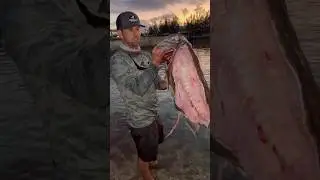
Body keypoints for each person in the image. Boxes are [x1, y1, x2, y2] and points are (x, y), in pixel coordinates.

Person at [110, 11, 172, 180]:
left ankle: (152, 163)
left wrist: (165, 68)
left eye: (138, 28)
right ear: (120, 34)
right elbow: (137, 88)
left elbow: (158, 83)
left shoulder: (145, 56)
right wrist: (155, 64)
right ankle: (146, 174)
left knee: (155, 143)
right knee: (144, 156)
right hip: (140, 121)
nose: (137, 33)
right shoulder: (117, 61)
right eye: (131, 29)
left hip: (153, 114)